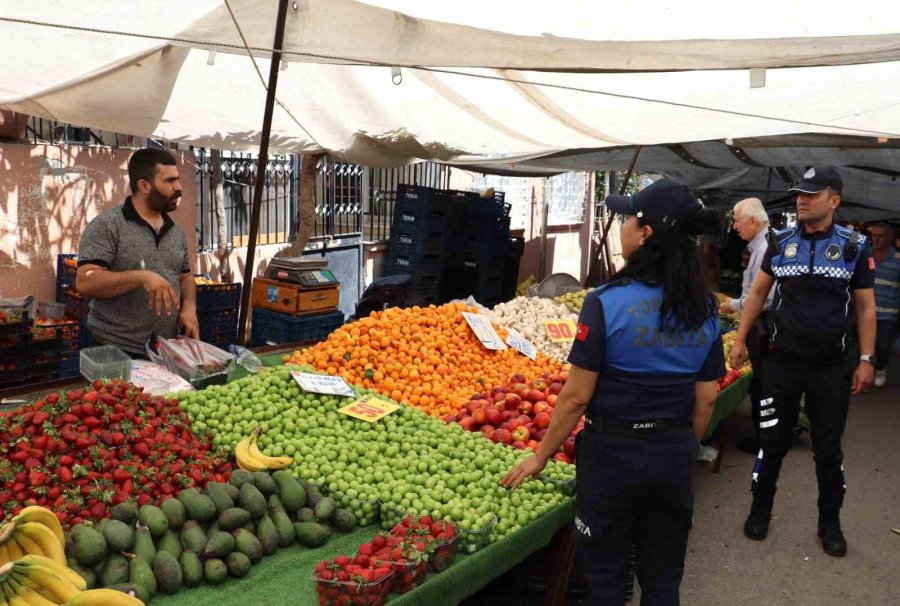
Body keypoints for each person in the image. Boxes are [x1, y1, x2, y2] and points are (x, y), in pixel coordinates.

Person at [502, 178, 725, 605]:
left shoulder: (605, 302)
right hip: (674, 454)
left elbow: (575, 397)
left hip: (613, 458)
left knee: (604, 578)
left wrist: (541, 455)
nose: (623, 226)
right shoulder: (705, 307)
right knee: (662, 578)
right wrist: (675, 446)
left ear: (646, 235)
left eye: (629, 218)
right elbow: (707, 398)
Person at [729, 167, 876, 558]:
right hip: (782, 364)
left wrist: (866, 358)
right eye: (799, 193)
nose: (802, 199)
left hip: (832, 367)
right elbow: (759, 292)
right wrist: (740, 339)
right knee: (771, 441)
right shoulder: (781, 242)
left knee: (828, 450)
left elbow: (865, 306)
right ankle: (760, 510)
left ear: (834, 200)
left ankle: (830, 523)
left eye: (812, 194)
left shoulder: (854, 246)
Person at [76, 148, 199, 357]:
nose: (178, 187)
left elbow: (185, 276)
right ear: (144, 186)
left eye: (177, 180)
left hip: (165, 349)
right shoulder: (108, 225)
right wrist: (141, 277)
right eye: (170, 181)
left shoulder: (176, 230)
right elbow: (86, 282)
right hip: (114, 350)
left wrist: (189, 307)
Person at [719, 198, 775, 454]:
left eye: (737, 220)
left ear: (753, 220)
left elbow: (764, 298)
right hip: (758, 323)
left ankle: (765, 441)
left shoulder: (764, 248)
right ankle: (764, 437)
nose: (734, 226)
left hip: (763, 326)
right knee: (761, 386)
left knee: (764, 386)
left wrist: (735, 305)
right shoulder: (760, 246)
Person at [869, 222, 900, 387]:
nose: (876, 239)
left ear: (888, 238)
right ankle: (866, 371)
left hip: (888, 311)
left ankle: (881, 368)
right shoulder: (867, 255)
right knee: (865, 344)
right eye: (874, 235)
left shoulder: (897, 259)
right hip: (867, 310)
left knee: (882, 344)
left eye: (880, 236)